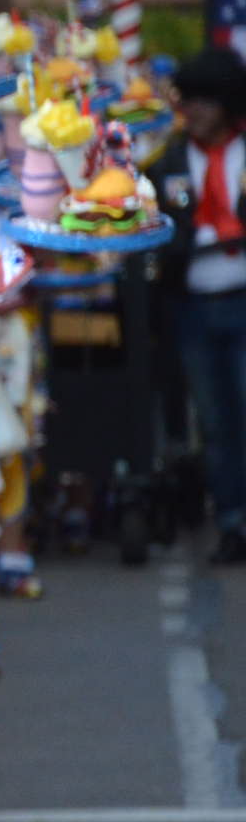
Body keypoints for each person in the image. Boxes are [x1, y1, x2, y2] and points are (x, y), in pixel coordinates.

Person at [155, 47, 246, 562]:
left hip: (242, 297)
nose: (197, 111)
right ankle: (230, 521)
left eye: (207, 100)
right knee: (213, 421)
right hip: (192, 307)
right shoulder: (169, 159)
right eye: (191, 100)